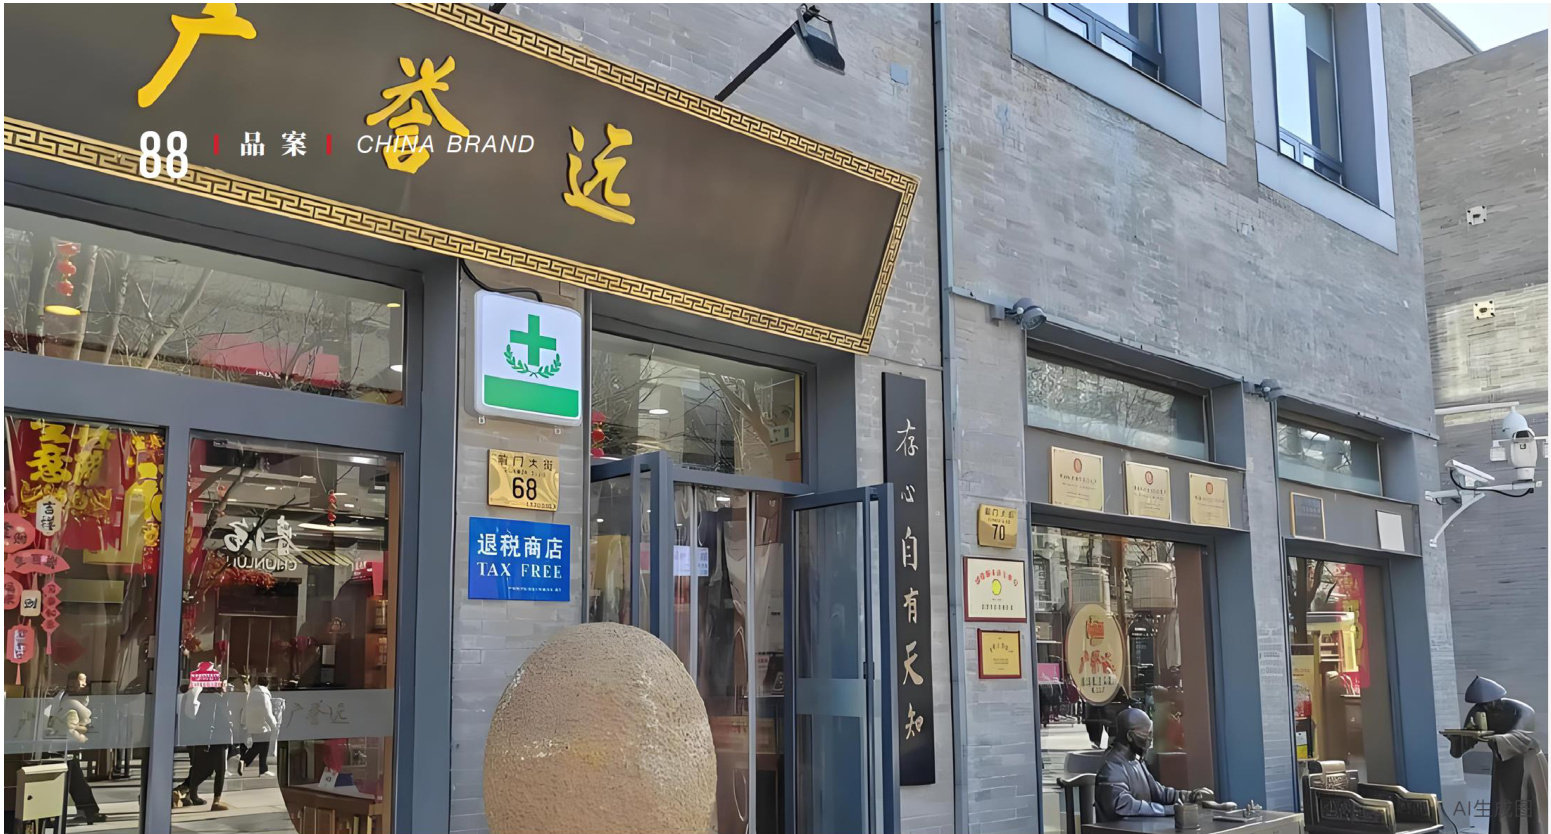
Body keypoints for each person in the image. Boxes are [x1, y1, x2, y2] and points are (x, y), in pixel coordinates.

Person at [1095, 707, 1212, 821]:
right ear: (1130, 736)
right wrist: (1167, 810)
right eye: (1147, 734)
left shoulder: (1136, 762)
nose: (1150, 739)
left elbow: (1159, 793)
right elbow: (1124, 805)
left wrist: (1188, 796)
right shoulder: (1112, 766)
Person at [49, 671, 107, 825]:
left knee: (72, 774)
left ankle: (87, 810)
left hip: (65, 740)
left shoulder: (72, 698)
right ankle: (87, 810)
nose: (78, 686)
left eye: (81, 683)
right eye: (74, 683)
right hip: (62, 740)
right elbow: (85, 715)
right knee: (72, 775)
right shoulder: (70, 700)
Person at [172, 680, 235, 811]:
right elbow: (223, 721)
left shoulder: (203, 698)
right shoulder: (217, 699)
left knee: (202, 770)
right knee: (220, 771)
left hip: (204, 740)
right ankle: (216, 802)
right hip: (217, 740)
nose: (225, 687)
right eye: (223, 684)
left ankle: (180, 791)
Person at [241, 675, 278, 776]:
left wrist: (244, 722)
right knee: (260, 746)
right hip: (262, 725)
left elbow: (246, 707)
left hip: (252, 723)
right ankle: (244, 761)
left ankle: (263, 768)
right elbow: (267, 712)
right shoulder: (264, 695)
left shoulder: (252, 693)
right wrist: (274, 724)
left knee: (261, 746)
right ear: (267, 684)